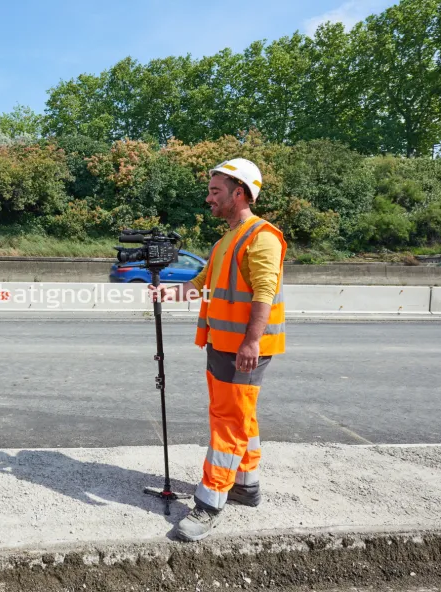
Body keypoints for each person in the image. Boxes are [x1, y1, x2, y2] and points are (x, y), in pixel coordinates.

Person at [149, 158, 286, 542]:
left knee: (227, 421)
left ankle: (210, 503)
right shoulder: (226, 239)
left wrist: (251, 342)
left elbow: (264, 292)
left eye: (215, 191)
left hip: (242, 349)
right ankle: (246, 484)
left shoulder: (262, 236)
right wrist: (167, 292)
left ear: (238, 193)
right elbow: (200, 285)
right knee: (242, 416)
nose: (208, 198)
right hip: (222, 345)